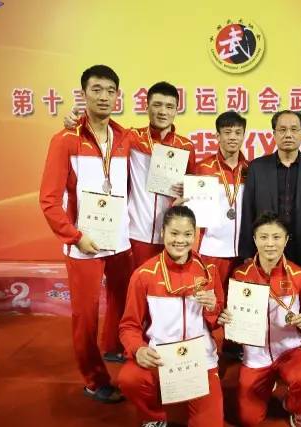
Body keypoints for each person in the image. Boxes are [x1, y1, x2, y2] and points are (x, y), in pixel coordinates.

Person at [39, 65, 132, 402]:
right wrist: (75, 236)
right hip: (84, 244)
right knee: (86, 316)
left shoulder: (126, 138)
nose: (104, 96)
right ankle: (94, 380)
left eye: (110, 90)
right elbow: (49, 200)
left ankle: (113, 347)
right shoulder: (65, 140)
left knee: (125, 302)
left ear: (117, 96)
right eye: (96, 89)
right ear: (83, 94)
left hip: (120, 240)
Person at [63, 81, 196, 269]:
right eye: (157, 105)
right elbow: (101, 126)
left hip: (171, 237)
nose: (163, 111)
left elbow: (193, 187)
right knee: (132, 285)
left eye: (169, 106)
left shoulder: (186, 146)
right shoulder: (130, 137)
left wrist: (187, 193)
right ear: (146, 107)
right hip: (133, 234)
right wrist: (77, 121)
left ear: (176, 110)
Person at [118, 206, 224, 427]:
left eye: (187, 234)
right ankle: (155, 417)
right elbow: (128, 326)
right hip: (160, 356)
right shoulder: (144, 275)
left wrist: (214, 309)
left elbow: (217, 319)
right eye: (174, 233)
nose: (180, 240)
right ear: (162, 233)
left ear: (195, 235)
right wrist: (138, 349)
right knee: (130, 379)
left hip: (199, 359)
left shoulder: (208, 271)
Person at [219, 212, 301, 427]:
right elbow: (228, 312)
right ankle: (266, 384)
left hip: (290, 350)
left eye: (276, 237)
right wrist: (225, 316)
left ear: (286, 239)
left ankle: (294, 407)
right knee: (249, 420)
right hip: (255, 356)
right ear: (254, 239)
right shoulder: (240, 275)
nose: (270, 244)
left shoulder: (299, 275)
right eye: (263, 237)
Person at [239, 110, 301, 273]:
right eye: (282, 130)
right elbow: (248, 211)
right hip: (267, 247)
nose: (288, 134)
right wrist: (247, 252)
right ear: (274, 134)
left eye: (294, 129)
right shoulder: (257, 168)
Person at [195, 111, 249, 286]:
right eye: (227, 132)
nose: (233, 137)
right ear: (217, 136)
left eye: (238, 132)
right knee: (212, 300)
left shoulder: (251, 170)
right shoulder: (202, 168)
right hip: (212, 250)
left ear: (243, 136)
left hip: (244, 253)